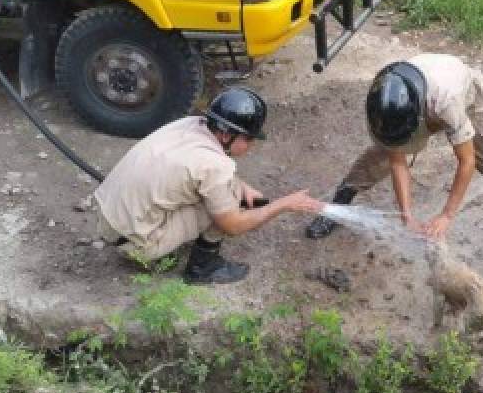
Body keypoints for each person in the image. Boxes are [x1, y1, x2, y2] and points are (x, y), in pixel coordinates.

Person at [304, 54, 483, 275]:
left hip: (466, 98)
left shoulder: (446, 102)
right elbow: (397, 161)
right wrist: (406, 213)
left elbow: (467, 161)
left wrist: (447, 215)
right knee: (379, 155)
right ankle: (337, 207)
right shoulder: (382, 100)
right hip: (422, 101)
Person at [94, 87, 324, 285]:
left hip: (109, 219)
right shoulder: (215, 166)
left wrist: (240, 184)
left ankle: (160, 238)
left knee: (227, 189)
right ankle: (203, 268)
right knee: (230, 204)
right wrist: (283, 205)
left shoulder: (189, 125)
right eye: (249, 139)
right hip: (134, 241)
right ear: (225, 135)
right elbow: (234, 226)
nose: (251, 145)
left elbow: (202, 172)